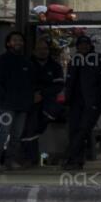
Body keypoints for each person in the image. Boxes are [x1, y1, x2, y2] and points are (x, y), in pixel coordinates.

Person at [61, 35, 101, 170]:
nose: (83, 47)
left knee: (83, 130)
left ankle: (71, 158)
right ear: (77, 47)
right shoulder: (74, 61)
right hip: (75, 103)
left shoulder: (99, 59)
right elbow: (69, 82)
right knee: (74, 130)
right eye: (81, 44)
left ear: (90, 45)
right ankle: (76, 161)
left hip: (92, 102)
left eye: (86, 44)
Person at [0, 31, 34, 171]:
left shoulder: (27, 61)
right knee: (4, 132)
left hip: (22, 105)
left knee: (17, 134)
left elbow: (31, 83)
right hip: (7, 104)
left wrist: (29, 99)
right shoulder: (1, 60)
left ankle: (10, 160)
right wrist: (3, 97)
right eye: (14, 40)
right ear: (8, 43)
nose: (18, 42)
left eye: (20, 40)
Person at [20, 38, 65, 166]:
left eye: (45, 49)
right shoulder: (27, 64)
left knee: (42, 137)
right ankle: (31, 160)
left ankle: (43, 162)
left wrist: (42, 94)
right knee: (31, 132)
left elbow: (59, 85)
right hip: (30, 105)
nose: (43, 52)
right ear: (34, 51)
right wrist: (33, 95)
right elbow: (22, 84)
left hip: (49, 107)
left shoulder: (55, 66)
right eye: (39, 49)